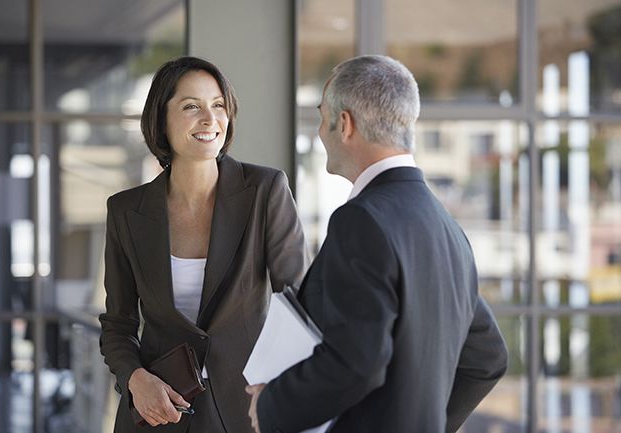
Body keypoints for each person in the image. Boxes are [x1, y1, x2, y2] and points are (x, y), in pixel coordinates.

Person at [246, 55, 508, 433]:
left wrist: (270, 405)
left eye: (323, 117)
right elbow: (487, 357)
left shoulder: (361, 220)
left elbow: (358, 362)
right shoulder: (447, 228)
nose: (321, 131)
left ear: (346, 124)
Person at [99, 56, 309, 433]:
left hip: (249, 411)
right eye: (191, 106)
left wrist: (282, 389)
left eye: (218, 106)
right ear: (161, 120)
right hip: (157, 411)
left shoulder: (264, 191)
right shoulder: (126, 211)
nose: (209, 119)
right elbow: (118, 323)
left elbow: (296, 304)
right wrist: (135, 379)